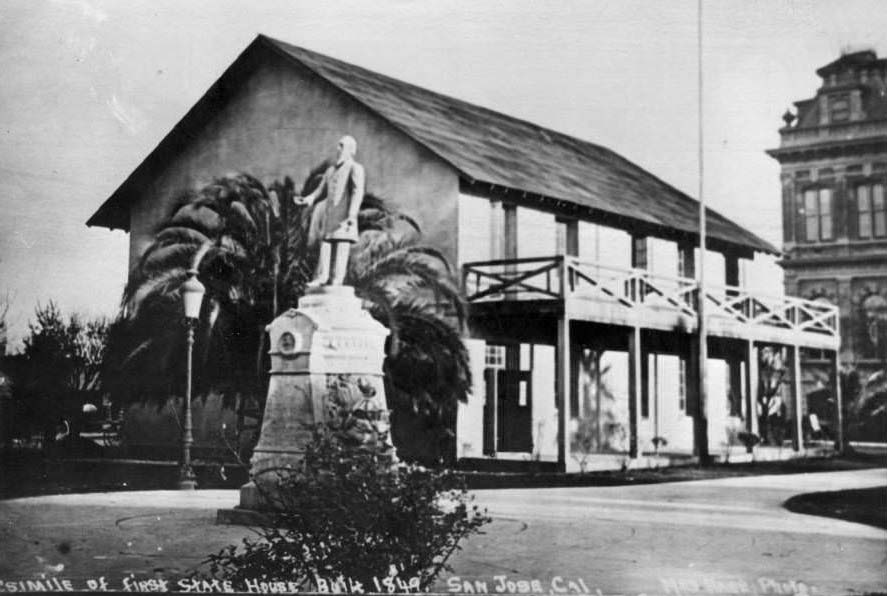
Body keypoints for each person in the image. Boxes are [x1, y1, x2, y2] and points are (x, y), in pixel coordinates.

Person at [294, 135, 365, 287]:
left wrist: (352, 215)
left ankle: (337, 280)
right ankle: (322, 277)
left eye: (342, 146)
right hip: (330, 216)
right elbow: (319, 191)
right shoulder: (330, 171)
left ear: (351, 150)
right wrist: (307, 199)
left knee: (341, 245)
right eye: (338, 146)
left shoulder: (355, 168)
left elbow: (357, 192)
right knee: (325, 244)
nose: (338, 149)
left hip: (345, 217)